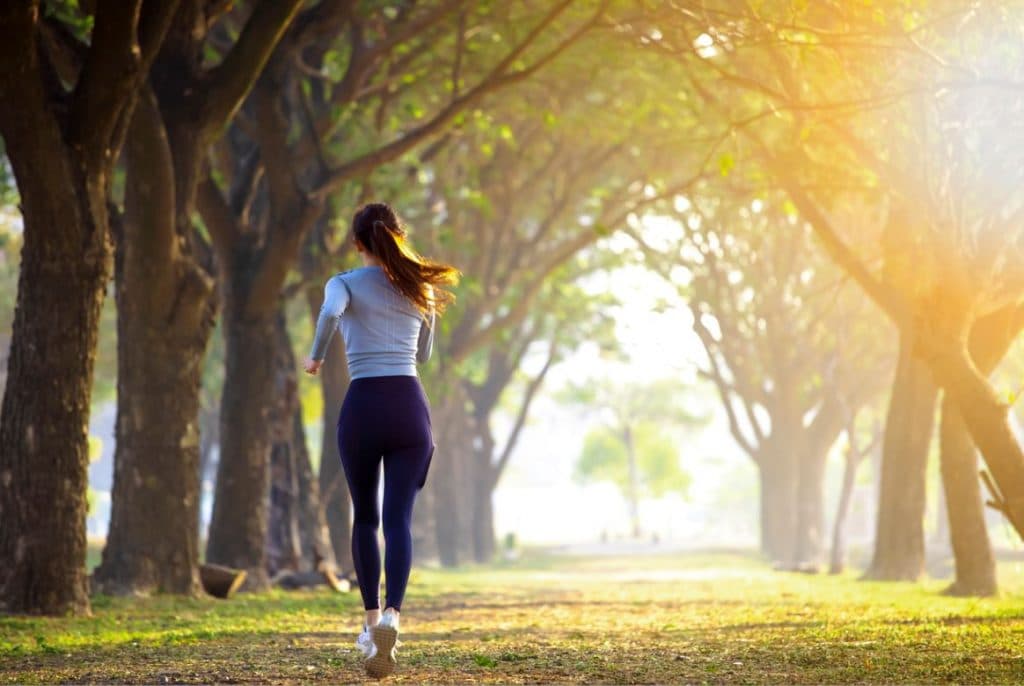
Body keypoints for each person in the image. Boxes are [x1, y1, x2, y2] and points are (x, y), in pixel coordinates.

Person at [303, 202, 459, 679]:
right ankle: (394, 614)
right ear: (397, 236)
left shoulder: (343, 282)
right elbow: (425, 352)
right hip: (410, 407)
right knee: (399, 520)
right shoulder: (420, 288)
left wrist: (316, 357)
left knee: (365, 517)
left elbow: (331, 313)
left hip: (364, 405)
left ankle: (371, 628)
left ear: (358, 243)